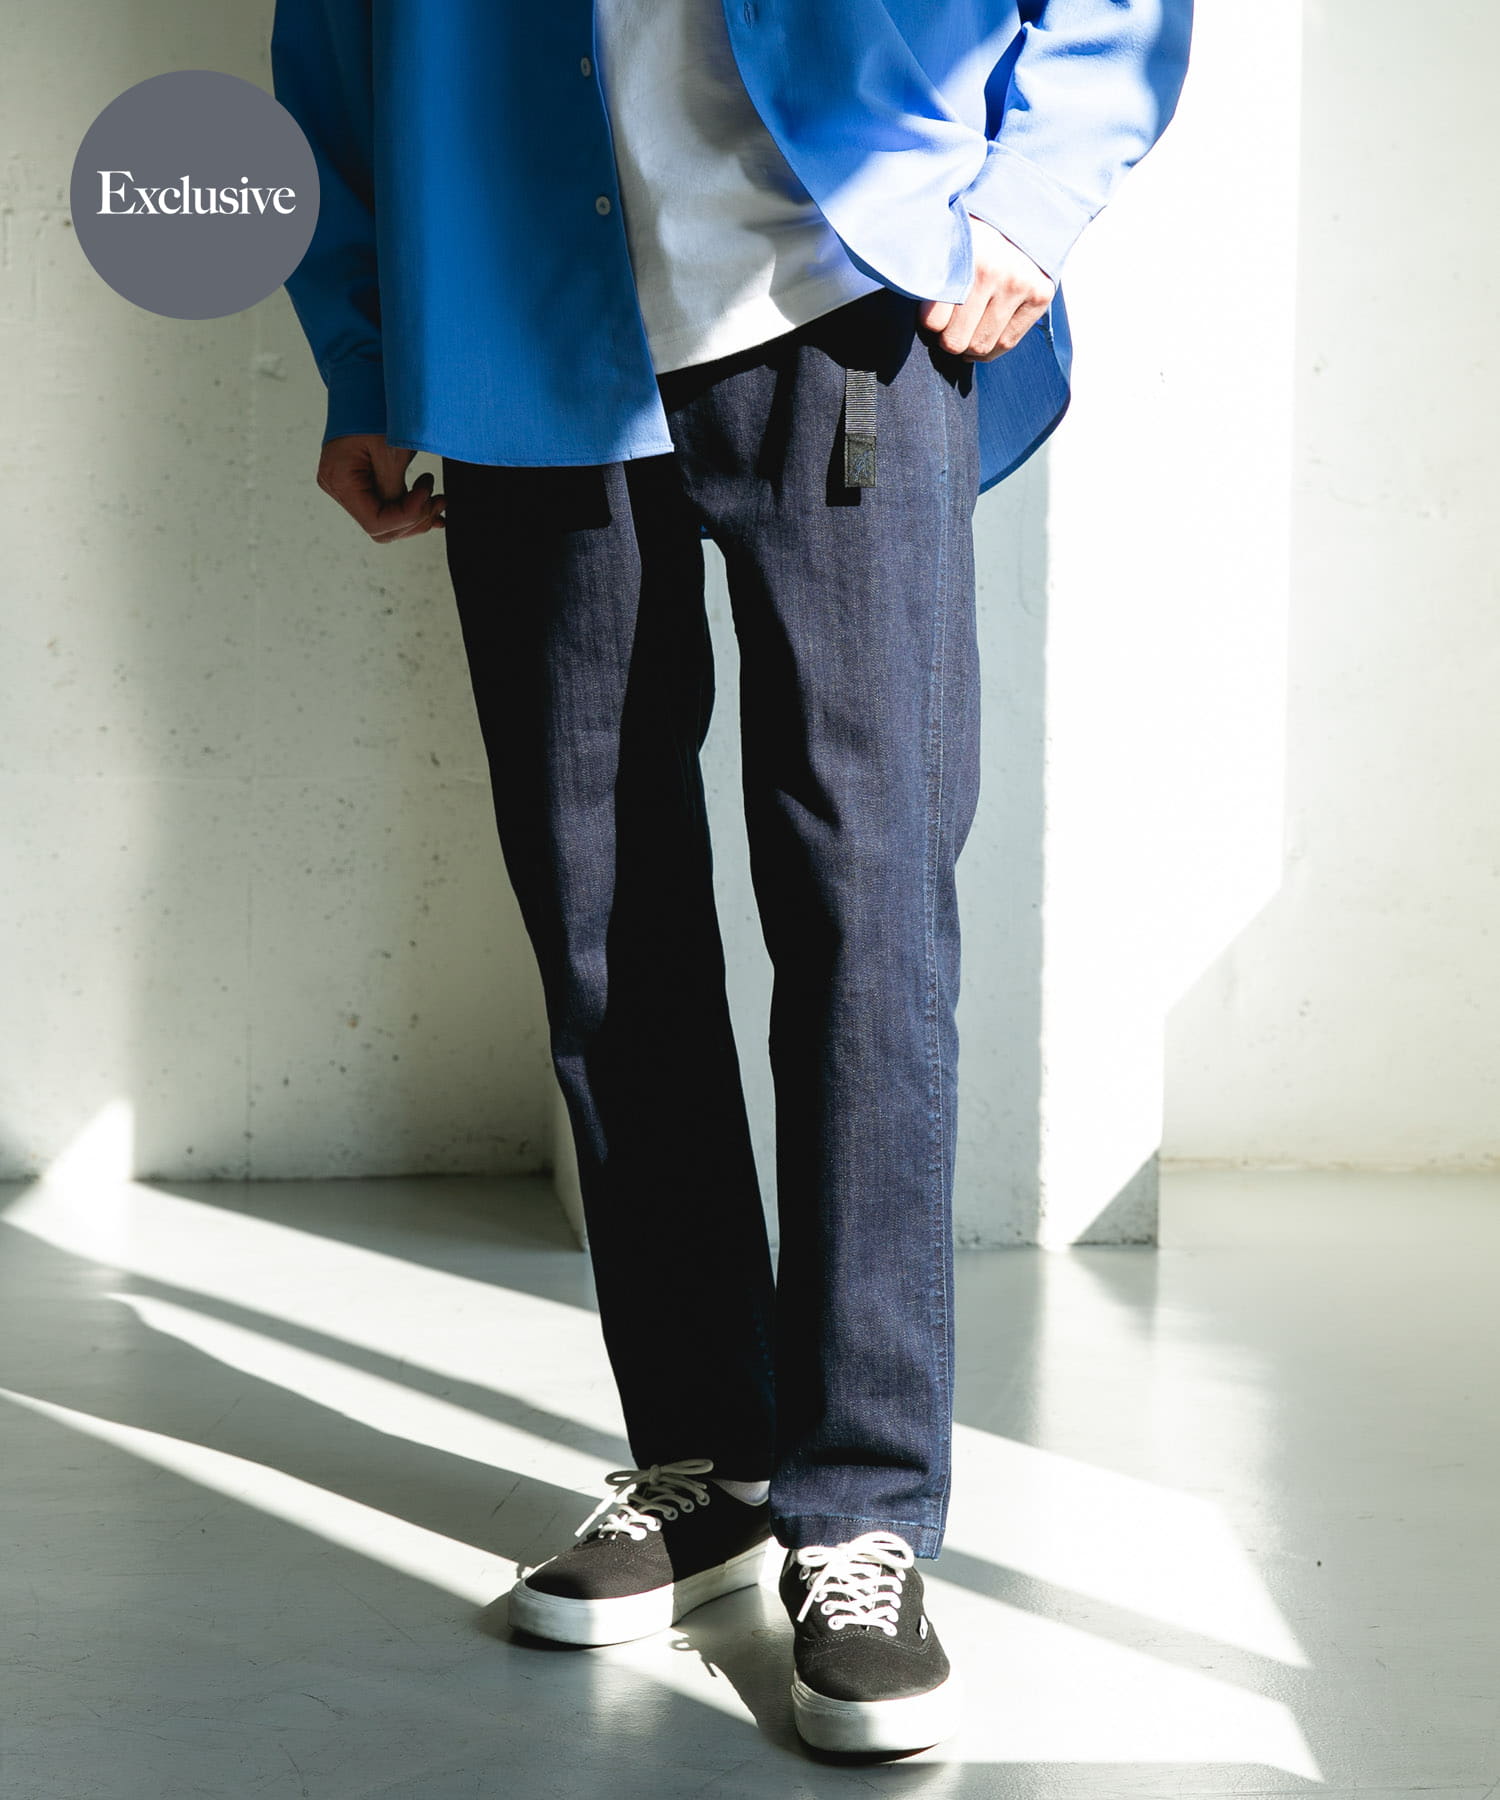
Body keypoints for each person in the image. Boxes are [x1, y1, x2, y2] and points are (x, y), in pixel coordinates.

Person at [270, 0, 1192, 1757]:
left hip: (842, 302)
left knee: (866, 908)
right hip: (519, 323)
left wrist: (1031, 198)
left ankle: (860, 1511)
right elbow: (328, 43)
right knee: (598, 915)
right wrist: (365, 350)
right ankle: (708, 1459)